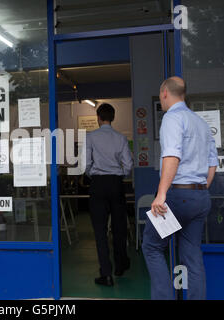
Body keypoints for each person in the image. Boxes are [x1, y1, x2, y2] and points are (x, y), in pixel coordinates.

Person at [142, 76, 218, 300]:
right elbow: (213, 163)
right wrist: (201, 188)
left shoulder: (172, 119)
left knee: (152, 247)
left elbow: (172, 156)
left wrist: (162, 194)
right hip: (200, 195)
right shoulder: (201, 122)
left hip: (176, 196)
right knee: (192, 254)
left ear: (164, 93)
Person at [85, 103, 133, 286]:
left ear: (98, 117)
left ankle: (106, 274)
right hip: (116, 183)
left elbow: (86, 164)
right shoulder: (120, 138)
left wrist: (93, 176)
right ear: (112, 117)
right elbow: (128, 165)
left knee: (100, 230)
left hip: (98, 184)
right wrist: (120, 175)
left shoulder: (91, 137)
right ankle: (120, 266)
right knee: (119, 227)